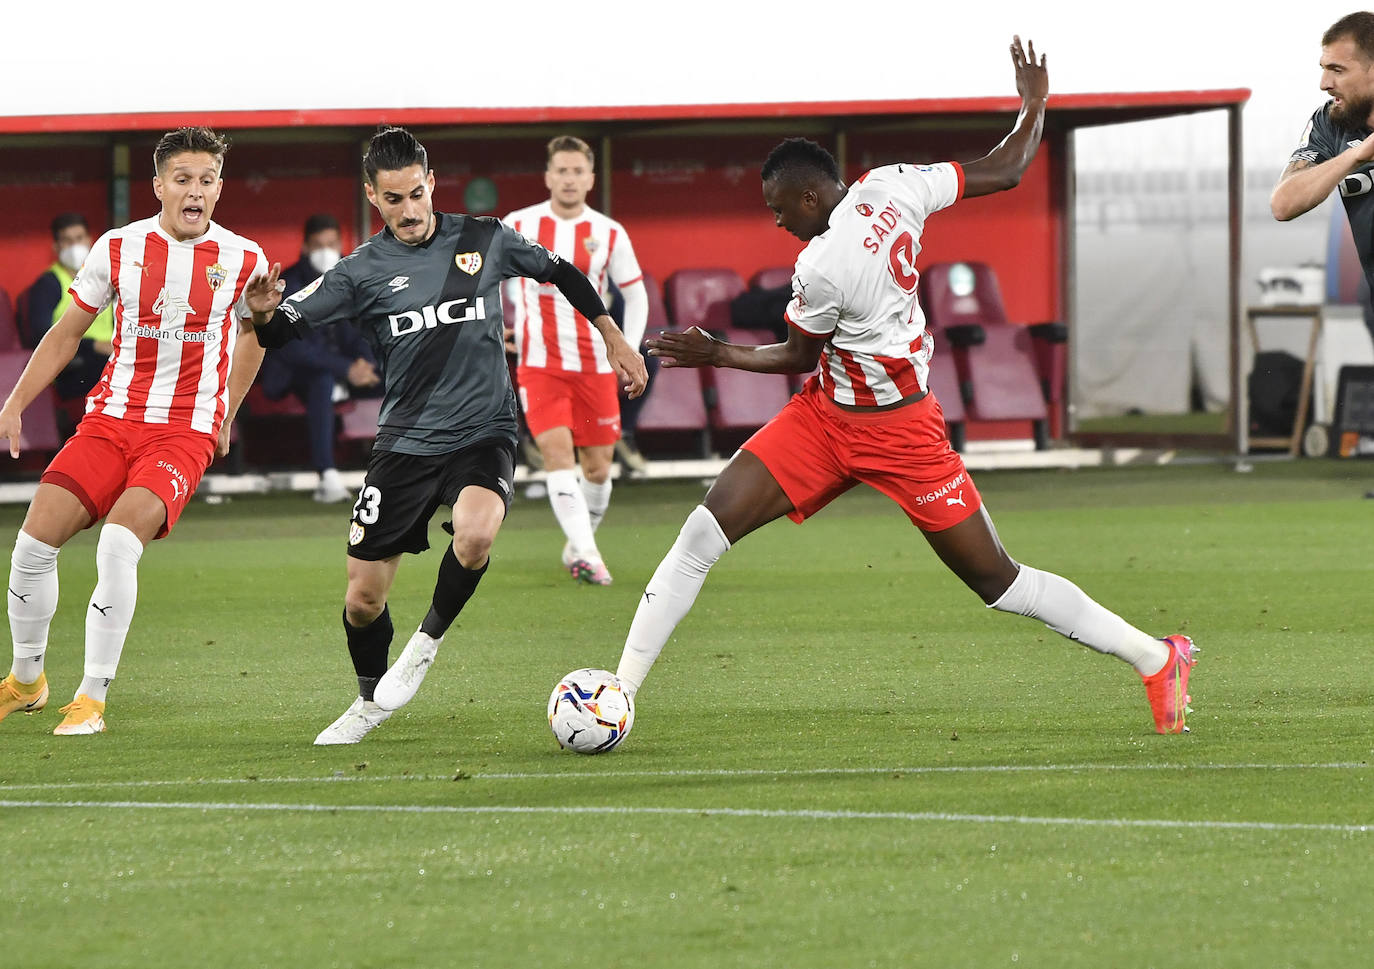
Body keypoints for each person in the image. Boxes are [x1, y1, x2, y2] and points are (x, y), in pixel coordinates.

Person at [613, 37, 1199, 738]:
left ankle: (1157, 656)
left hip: (900, 432)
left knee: (999, 581)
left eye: (778, 209)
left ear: (808, 194)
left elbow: (798, 353)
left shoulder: (823, 264)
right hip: (828, 418)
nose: (776, 223)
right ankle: (619, 693)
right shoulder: (895, 182)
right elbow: (1008, 167)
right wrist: (1035, 100)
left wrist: (717, 353)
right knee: (705, 529)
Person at [245, 127, 646, 745]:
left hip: (483, 430)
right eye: (393, 200)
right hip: (404, 443)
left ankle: (426, 643)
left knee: (477, 533)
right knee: (362, 599)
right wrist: (266, 310)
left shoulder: (485, 239)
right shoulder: (360, 271)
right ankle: (367, 702)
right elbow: (281, 331)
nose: (408, 211)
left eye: (416, 194)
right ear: (373, 199)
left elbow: (562, 272)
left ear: (431, 184)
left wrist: (614, 336)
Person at [0, 127, 268, 735]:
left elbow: (256, 339)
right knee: (32, 546)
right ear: (158, 186)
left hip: (182, 432)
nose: (195, 192)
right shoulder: (117, 248)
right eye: (183, 180)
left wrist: (225, 414)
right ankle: (25, 681)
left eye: (206, 181)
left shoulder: (244, 258)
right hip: (110, 420)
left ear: (220, 188)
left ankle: (91, 698)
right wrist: (14, 402)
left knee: (118, 543)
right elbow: (67, 333)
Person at [503, 135, 650, 586]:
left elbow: (635, 293)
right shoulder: (518, 224)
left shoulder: (608, 232)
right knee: (557, 458)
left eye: (576, 171)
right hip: (540, 363)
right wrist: (497, 325)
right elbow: (489, 281)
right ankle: (588, 554)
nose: (568, 179)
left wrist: (629, 347)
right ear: (548, 177)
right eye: (560, 171)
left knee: (599, 471)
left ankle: (577, 544)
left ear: (590, 178)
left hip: (594, 365)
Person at [257, 213, 382, 502]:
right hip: (292, 375)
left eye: (332, 243)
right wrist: (346, 368)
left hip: (347, 371)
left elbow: (362, 329)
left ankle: (422, 463)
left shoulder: (348, 279)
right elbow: (293, 348)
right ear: (305, 248)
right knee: (322, 380)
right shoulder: (287, 284)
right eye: (318, 245)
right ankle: (327, 476)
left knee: (401, 372)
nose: (327, 251)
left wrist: (366, 364)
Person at [1271, 11, 1374, 348]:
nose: (1324, 84)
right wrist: (1356, 156)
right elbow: (1283, 204)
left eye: (1338, 70)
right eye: (1324, 69)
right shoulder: (1331, 123)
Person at [23, 213, 116, 400]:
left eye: (79, 238)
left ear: (90, 241)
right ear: (56, 247)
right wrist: (95, 346)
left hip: (111, 355)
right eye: (67, 241)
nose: (75, 246)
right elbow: (40, 336)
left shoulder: (105, 278)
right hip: (72, 364)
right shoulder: (48, 284)